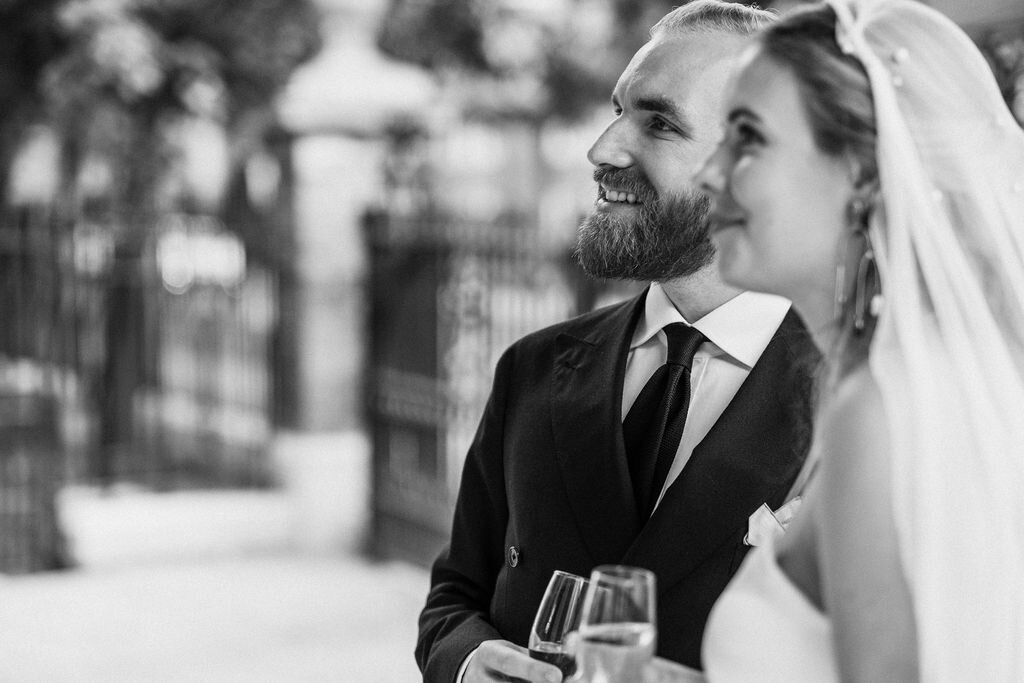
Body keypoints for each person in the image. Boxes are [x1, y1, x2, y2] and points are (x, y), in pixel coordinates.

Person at [416, 2, 820, 681]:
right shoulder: (534, 367)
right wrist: (463, 660)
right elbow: (455, 595)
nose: (601, 149)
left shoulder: (860, 402)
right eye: (617, 110)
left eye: (659, 122)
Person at [694, 0, 1024, 679]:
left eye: (748, 137)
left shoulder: (876, 409)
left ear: (864, 176)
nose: (709, 170)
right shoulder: (925, 379)